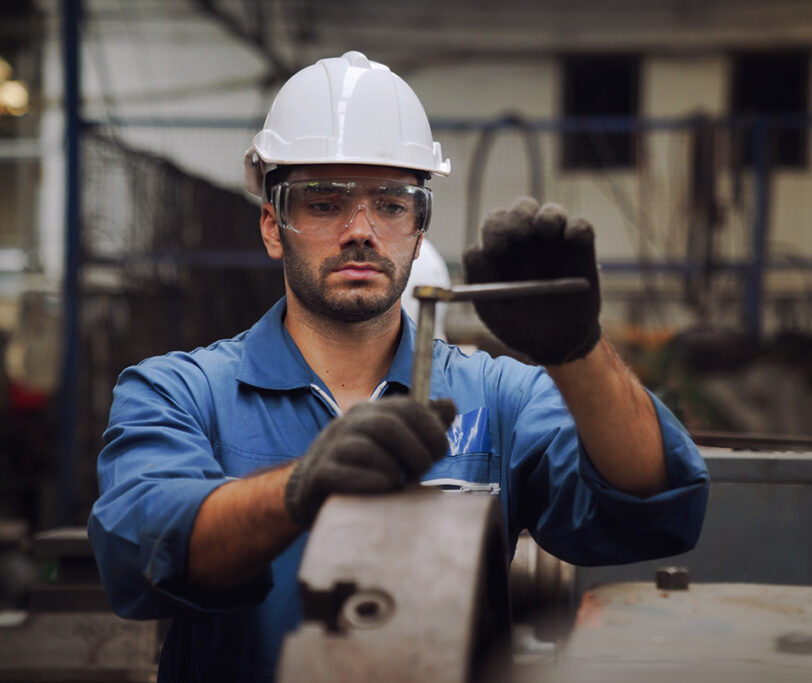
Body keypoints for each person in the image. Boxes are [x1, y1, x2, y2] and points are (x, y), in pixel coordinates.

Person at [87, 51, 709, 682]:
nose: (361, 230)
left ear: (419, 228)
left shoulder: (496, 395)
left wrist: (579, 353)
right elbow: (141, 546)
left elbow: (657, 505)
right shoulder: (179, 393)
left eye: (390, 204)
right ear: (274, 227)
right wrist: (299, 491)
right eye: (324, 203)